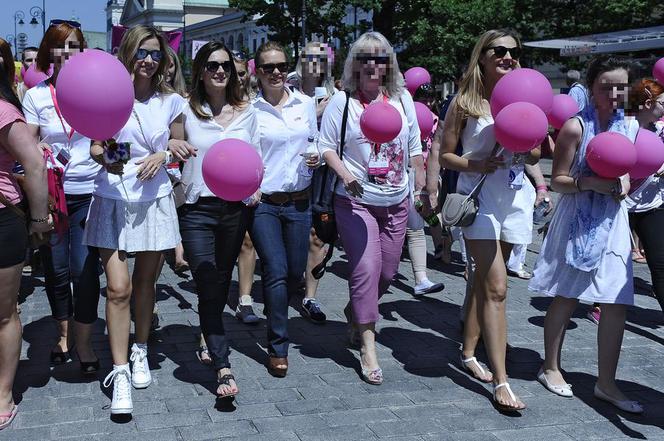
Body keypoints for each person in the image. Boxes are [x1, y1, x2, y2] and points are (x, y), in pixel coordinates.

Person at [83, 25, 194, 415]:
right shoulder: (111, 95)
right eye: (142, 53)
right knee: (118, 288)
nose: (148, 60)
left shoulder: (172, 101)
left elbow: (179, 147)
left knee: (146, 283)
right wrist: (116, 157)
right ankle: (120, 374)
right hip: (113, 197)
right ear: (128, 52)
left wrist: (163, 156)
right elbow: (98, 147)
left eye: (155, 54)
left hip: (155, 199)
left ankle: (141, 349)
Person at [529, 55, 643, 414]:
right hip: (577, 221)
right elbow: (559, 179)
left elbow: (632, 170)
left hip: (614, 222)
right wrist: (592, 181)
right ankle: (550, 367)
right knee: (566, 296)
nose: (612, 93)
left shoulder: (630, 127)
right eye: (605, 86)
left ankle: (606, 384)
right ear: (592, 87)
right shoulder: (576, 127)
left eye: (619, 87)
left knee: (615, 302)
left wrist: (625, 183)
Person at [438, 29, 539, 411]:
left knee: (483, 282)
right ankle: (502, 381)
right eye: (500, 51)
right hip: (479, 200)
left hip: (515, 198)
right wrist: (476, 162)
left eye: (514, 52)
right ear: (482, 55)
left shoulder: (527, 96)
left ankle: (467, 351)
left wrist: (530, 143)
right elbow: (447, 155)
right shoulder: (465, 102)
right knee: (497, 286)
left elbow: (533, 156)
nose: (508, 57)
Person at [318, 32, 426, 385]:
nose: (372, 64)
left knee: (388, 274)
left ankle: (356, 310)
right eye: (365, 57)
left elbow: (414, 145)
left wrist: (422, 180)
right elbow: (326, 146)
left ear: (389, 64)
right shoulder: (342, 101)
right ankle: (368, 344)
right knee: (365, 268)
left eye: (380, 58)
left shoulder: (401, 98)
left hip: (396, 199)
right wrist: (346, 176)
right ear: (354, 63)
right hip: (355, 199)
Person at [179, 41, 259, 398]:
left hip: (234, 208)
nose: (220, 71)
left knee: (219, 279)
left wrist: (256, 186)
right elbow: (169, 145)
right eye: (212, 65)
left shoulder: (247, 112)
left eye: (226, 65)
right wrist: (170, 147)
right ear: (200, 70)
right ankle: (223, 365)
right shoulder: (185, 111)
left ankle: (206, 331)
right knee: (207, 279)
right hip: (197, 208)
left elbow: (256, 156)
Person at [22, 21, 103, 374]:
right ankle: (63, 334)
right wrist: (35, 146)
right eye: (60, 46)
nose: (68, 53)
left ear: (83, 50)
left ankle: (84, 343)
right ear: (49, 52)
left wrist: (116, 163)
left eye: (74, 45)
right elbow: (25, 144)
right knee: (56, 270)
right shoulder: (37, 95)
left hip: (91, 192)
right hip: (52, 195)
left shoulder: (96, 91)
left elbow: (116, 139)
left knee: (84, 270)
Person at [251, 41, 319, 378]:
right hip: (264, 203)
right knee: (276, 271)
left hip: (300, 201)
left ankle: (275, 307)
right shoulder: (251, 110)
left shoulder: (305, 104)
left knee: (294, 273)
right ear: (257, 72)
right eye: (268, 68)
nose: (276, 72)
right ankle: (278, 346)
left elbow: (315, 141)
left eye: (281, 65)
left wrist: (316, 155)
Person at [0, 46, 50, 431]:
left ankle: (3, 392)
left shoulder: (5, 111)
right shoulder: (34, 97)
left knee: (3, 312)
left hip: (97, 194)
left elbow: (33, 163)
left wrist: (38, 217)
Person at [295, 41, 337, 323]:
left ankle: (311, 297)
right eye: (309, 57)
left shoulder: (334, 95)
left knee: (317, 235)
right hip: (292, 171)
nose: (315, 62)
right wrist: (314, 113)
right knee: (294, 234)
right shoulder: (287, 91)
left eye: (320, 58)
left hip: (322, 173)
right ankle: (292, 276)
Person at [625, 78, 664, 318]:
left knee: (660, 264)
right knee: (612, 262)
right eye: (662, 103)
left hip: (653, 203)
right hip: (619, 205)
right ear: (649, 103)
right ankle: (599, 304)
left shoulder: (660, 130)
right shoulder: (623, 128)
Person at [407, 83, 445, 295]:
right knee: (419, 217)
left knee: (424, 213)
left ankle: (439, 243)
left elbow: (438, 149)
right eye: (424, 98)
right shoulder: (406, 115)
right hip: (405, 173)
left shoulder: (436, 120)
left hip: (427, 173)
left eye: (432, 99)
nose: (428, 103)